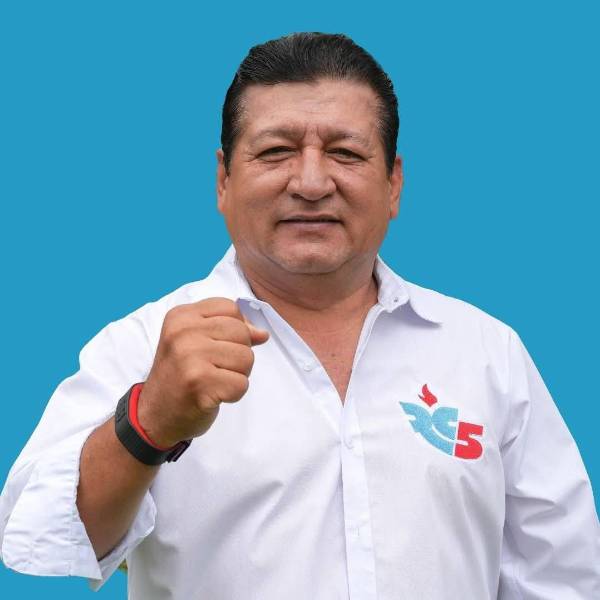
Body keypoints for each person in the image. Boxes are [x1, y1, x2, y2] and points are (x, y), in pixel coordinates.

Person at [0, 32, 598, 600]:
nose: (311, 183)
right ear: (223, 180)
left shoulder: (486, 351)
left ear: (394, 183)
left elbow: (562, 577)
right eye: (276, 152)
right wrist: (148, 420)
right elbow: (40, 537)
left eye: (345, 153)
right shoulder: (144, 345)